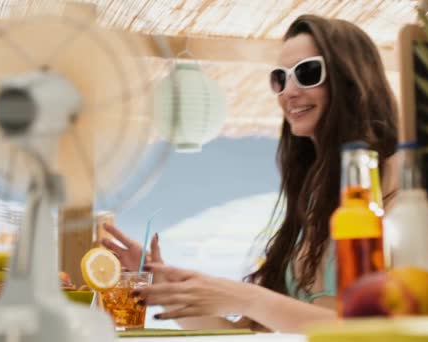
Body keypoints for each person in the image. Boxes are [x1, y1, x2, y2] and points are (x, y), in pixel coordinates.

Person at [100, 14, 398, 333]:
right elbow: (244, 334)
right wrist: (166, 286)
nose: (288, 91)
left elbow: (377, 331)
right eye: (279, 79)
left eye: (307, 72)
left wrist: (248, 298)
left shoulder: (395, 181)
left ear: (351, 78)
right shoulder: (311, 194)